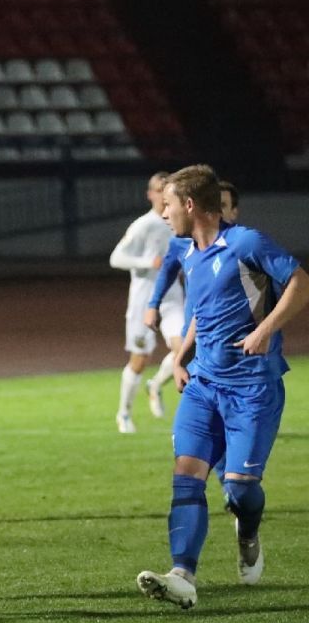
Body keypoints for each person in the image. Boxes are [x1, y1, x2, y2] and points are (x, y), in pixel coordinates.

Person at [136, 165, 308, 610]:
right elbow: (202, 312)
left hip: (252, 388)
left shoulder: (245, 243)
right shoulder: (190, 252)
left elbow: (300, 282)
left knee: (239, 490)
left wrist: (265, 330)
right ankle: (182, 576)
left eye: (168, 205)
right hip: (204, 385)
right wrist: (180, 358)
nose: (163, 213)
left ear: (190, 205)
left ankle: (248, 530)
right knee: (186, 479)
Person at [142, 179, 242, 419]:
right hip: (198, 327)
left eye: (223, 205)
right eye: (215, 204)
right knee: (198, 389)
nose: (219, 211)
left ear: (234, 211)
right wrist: (153, 305)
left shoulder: (244, 243)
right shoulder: (182, 242)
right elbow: (167, 271)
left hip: (233, 331)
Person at [109, 171, 184, 432]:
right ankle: (124, 414)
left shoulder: (179, 223)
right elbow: (116, 258)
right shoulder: (143, 225)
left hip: (172, 297)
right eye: (159, 190)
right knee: (140, 358)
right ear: (150, 194)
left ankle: (155, 385)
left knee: (184, 349)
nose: (164, 195)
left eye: (168, 190)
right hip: (144, 300)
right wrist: (147, 262)